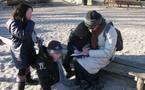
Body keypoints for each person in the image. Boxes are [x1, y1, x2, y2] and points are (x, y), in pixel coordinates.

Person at [72, 10, 117, 89]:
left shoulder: (110, 31)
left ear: (98, 23)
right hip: (95, 51)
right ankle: (82, 81)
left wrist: (89, 52)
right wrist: (86, 47)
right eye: (89, 27)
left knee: (85, 65)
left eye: (92, 27)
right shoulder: (94, 28)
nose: (90, 29)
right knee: (76, 60)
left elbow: (108, 53)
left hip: (106, 56)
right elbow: (92, 41)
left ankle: (94, 83)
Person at [6, 3, 39, 90]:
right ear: (23, 12)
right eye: (29, 13)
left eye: (31, 13)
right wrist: (31, 23)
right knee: (22, 70)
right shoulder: (13, 23)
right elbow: (23, 35)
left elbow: (31, 34)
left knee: (28, 65)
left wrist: (37, 39)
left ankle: (29, 80)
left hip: (28, 48)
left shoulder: (24, 20)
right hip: (19, 51)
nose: (31, 15)